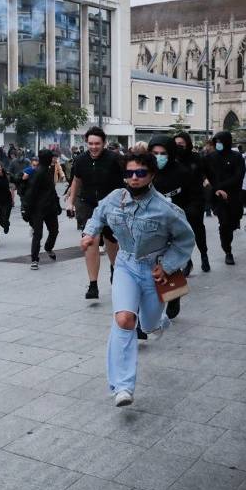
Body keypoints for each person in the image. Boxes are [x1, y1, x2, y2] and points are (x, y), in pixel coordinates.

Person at [81, 153, 194, 407]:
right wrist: (89, 234)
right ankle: (122, 387)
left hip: (157, 271)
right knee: (124, 320)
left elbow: (185, 240)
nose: (134, 178)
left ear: (152, 175)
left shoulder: (166, 209)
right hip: (126, 265)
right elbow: (98, 215)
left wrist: (166, 266)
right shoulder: (114, 199)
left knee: (149, 324)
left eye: (140, 173)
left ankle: (159, 322)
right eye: (129, 173)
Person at [65, 127, 124, 298]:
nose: (93, 147)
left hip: (112, 206)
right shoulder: (80, 160)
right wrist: (71, 200)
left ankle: (115, 269)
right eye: (90, 143)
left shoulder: (115, 159)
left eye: (97, 143)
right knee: (90, 240)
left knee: (111, 241)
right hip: (89, 205)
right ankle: (93, 284)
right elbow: (76, 180)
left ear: (104, 143)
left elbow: (126, 182)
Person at [146, 135, 199, 319]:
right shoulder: (144, 172)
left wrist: (186, 214)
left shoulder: (183, 172)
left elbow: (195, 197)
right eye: (155, 153)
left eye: (163, 154)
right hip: (149, 225)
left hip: (174, 225)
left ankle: (173, 295)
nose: (159, 157)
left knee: (169, 260)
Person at [204, 131, 245, 265]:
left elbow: (238, 176)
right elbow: (207, 175)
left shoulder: (237, 157)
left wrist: (222, 186)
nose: (218, 144)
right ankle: (228, 251)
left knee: (232, 223)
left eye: (221, 142)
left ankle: (228, 236)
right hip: (218, 196)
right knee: (225, 224)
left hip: (234, 196)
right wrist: (217, 189)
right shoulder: (211, 157)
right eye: (217, 142)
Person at [172, 132, 211, 273]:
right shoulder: (173, 159)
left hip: (195, 199)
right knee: (181, 233)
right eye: (176, 145)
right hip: (178, 200)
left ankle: (204, 255)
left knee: (197, 229)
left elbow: (204, 174)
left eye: (181, 144)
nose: (178, 147)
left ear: (187, 144)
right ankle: (187, 261)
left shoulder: (196, 158)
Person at [24, 150, 61, 270]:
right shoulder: (38, 172)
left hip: (49, 208)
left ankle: (48, 248)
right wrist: (27, 210)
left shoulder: (48, 170)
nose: (53, 159)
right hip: (38, 209)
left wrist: (57, 204)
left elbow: (52, 189)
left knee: (53, 231)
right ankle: (34, 259)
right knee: (39, 234)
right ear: (48, 159)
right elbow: (31, 193)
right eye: (51, 158)